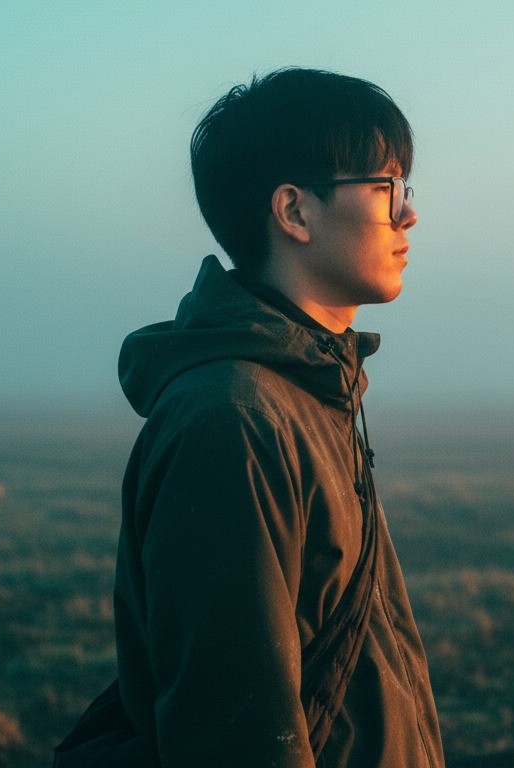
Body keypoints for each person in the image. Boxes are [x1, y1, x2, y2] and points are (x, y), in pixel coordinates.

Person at [113, 68, 445, 767]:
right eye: (386, 190)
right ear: (294, 212)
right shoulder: (230, 420)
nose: (408, 216)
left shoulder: (312, 392)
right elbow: (235, 735)